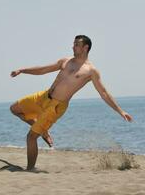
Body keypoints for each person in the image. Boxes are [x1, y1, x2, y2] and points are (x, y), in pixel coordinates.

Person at [10, 35, 133, 171]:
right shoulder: (66, 61)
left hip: (56, 106)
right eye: (73, 44)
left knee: (31, 137)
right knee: (14, 109)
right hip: (44, 96)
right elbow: (43, 70)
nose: (72, 47)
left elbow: (103, 93)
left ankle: (30, 169)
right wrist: (22, 70)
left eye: (76, 45)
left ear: (85, 48)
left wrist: (120, 111)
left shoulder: (91, 71)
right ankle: (43, 131)